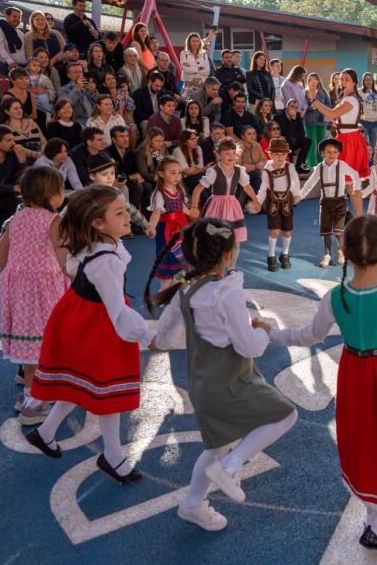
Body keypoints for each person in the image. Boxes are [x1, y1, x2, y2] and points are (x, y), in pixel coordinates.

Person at [271, 215, 377, 551]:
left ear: (344, 250)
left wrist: (272, 333)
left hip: (356, 377)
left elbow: (309, 335)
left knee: (368, 442)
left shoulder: (336, 297)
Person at [149, 218, 297, 532]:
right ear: (228, 255)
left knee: (216, 445)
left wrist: (158, 342)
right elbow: (248, 347)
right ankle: (230, 467)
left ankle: (193, 504)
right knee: (286, 415)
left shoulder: (185, 289)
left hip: (202, 385)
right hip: (231, 381)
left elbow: (163, 337)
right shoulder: (226, 292)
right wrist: (263, 332)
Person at [26, 186, 156, 483]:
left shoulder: (97, 245)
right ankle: (113, 456)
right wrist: (148, 337)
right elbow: (118, 311)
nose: (127, 217)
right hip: (97, 324)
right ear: (97, 223)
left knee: (82, 383)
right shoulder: (105, 259)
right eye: (119, 213)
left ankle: (46, 433)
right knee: (107, 389)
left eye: (125, 210)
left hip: (80, 318)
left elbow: (74, 267)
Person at [0, 166, 69, 425]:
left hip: (18, 286)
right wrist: (70, 272)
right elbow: (62, 251)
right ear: (51, 194)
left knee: (29, 342)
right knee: (44, 343)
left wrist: (11, 276)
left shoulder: (16, 219)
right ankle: (34, 402)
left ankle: (29, 394)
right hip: (43, 288)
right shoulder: (53, 220)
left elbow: (1, 253)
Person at [309, 68, 368, 212]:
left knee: (349, 183)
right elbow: (332, 117)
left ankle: (358, 217)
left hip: (349, 141)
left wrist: (313, 99)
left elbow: (330, 114)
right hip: (346, 139)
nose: (343, 81)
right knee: (346, 182)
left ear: (354, 83)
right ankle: (351, 216)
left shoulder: (350, 99)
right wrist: (336, 122)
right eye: (341, 79)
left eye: (347, 79)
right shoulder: (346, 99)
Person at [300, 138, 360, 267]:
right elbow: (310, 183)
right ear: (322, 153)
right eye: (328, 151)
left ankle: (341, 252)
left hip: (339, 202)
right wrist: (300, 195)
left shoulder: (342, 165)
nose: (332, 154)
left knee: (338, 231)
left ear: (338, 153)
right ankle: (327, 255)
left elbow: (355, 174)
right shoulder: (320, 167)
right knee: (325, 230)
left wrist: (356, 189)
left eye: (335, 152)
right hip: (325, 203)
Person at [190, 137, 258, 243]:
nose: (231, 156)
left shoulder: (239, 171)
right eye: (227, 153)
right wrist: (194, 206)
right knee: (214, 235)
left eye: (233, 153)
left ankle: (229, 249)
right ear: (218, 155)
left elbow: (247, 186)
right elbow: (198, 189)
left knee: (231, 237)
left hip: (232, 205)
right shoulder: (214, 171)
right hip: (216, 205)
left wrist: (256, 200)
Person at [255, 138, 301, 271]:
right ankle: (271, 256)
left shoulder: (289, 167)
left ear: (286, 154)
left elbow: (295, 181)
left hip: (287, 201)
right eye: (276, 154)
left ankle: (285, 254)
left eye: (283, 154)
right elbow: (263, 187)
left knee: (287, 230)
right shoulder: (266, 170)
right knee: (274, 230)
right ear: (270, 154)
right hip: (273, 203)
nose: (280, 157)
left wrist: (297, 194)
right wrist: (258, 201)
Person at [148, 157, 193, 288]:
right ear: (161, 174)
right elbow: (156, 212)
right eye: (173, 173)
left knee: (182, 254)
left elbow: (181, 206)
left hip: (181, 226)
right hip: (166, 229)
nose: (177, 176)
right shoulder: (159, 194)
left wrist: (191, 213)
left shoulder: (180, 190)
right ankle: (164, 290)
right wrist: (152, 227)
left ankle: (179, 282)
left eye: (179, 173)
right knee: (167, 256)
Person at [274, 98, 312, 173]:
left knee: (307, 141)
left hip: (292, 139)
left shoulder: (297, 114)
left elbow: (302, 132)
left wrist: (292, 135)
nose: (294, 109)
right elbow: (285, 132)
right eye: (292, 107)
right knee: (291, 141)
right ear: (287, 106)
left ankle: (299, 166)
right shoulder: (279, 116)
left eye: (296, 108)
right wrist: (293, 120)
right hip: (282, 140)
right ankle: (290, 165)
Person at [0, 7, 26, 76]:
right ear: (7, 16)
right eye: (14, 16)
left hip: (21, 66)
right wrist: (10, 62)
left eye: (19, 17)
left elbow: (23, 50)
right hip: (6, 65)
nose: (17, 19)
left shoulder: (20, 33)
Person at [180, 32, 213, 98]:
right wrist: (199, 68)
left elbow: (207, 71)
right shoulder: (184, 53)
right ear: (189, 42)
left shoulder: (204, 55)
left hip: (201, 85)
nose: (195, 43)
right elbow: (186, 70)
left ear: (200, 43)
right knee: (186, 103)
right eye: (193, 41)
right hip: (187, 86)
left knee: (200, 103)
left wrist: (191, 69)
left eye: (197, 41)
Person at [359, 71, 377, 146]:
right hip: (364, 122)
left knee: (373, 145)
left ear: (373, 80)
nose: (368, 81)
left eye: (370, 79)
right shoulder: (359, 92)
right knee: (364, 145)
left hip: (375, 122)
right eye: (366, 80)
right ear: (363, 81)